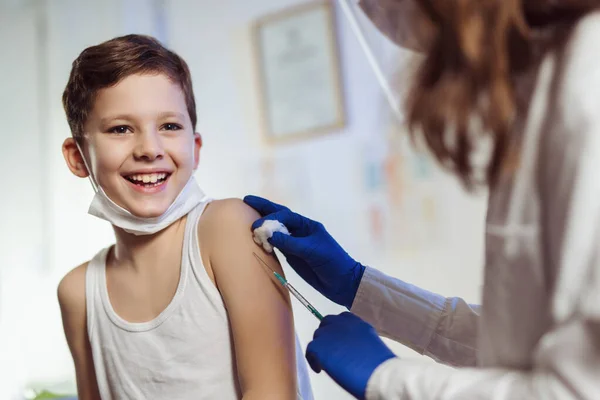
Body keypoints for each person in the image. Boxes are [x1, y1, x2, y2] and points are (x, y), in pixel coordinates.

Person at [244, 0, 600, 399]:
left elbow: (577, 389)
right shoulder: (546, 82)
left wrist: (384, 378)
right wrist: (359, 286)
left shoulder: (588, 87)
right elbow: (522, 343)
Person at [57, 34, 312, 400]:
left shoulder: (227, 229)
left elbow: (273, 392)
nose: (149, 149)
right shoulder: (78, 292)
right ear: (78, 157)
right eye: (120, 129)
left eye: (170, 126)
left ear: (195, 146)